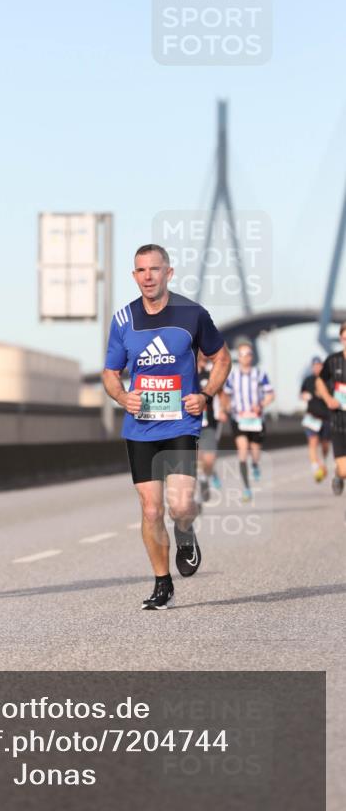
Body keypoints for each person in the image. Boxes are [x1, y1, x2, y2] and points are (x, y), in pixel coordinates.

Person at [102, 244, 231, 610]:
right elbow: (110, 374)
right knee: (151, 510)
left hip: (179, 423)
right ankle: (162, 583)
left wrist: (205, 394)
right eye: (141, 270)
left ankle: (186, 530)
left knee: (181, 505)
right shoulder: (124, 320)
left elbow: (222, 358)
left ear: (168, 273)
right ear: (134, 275)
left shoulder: (192, 314)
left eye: (154, 270)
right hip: (140, 428)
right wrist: (121, 396)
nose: (147, 277)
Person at [220, 342, 274, 502]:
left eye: (249, 354)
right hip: (239, 418)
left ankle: (255, 464)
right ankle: (246, 488)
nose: (246, 357)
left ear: (252, 356)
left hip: (256, 419)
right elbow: (225, 395)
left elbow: (271, 394)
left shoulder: (260, 374)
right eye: (243, 355)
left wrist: (262, 405)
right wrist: (225, 408)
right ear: (239, 357)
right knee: (242, 451)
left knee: (255, 451)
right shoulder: (233, 376)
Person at [315, 320, 346, 496]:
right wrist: (328, 398)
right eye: (345, 338)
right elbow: (320, 380)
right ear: (341, 339)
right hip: (339, 423)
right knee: (344, 470)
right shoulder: (333, 361)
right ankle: (338, 475)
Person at [196, 350, 224, 504]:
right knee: (196, 458)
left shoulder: (211, 374)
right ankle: (202, 481)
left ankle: (206, 476)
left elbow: (221, 394)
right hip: (191, 423)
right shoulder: (187, 373)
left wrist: (223, 410)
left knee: (210, 459)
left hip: (209, 422)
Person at [300, 356, 331, 482]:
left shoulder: (328, 380)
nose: (317, 367)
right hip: (312, 417)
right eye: (315, 365)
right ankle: (315, 467)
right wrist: (304, 396)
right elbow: (302, 393)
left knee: (325, 445)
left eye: (319, 365)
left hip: (326, 418)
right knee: (312, 441)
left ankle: (323, 461)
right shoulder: (308, 380)